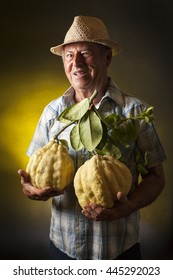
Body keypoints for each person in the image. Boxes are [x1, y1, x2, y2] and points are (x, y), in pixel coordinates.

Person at [18, 15, 166, 260]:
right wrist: (29, 188)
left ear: (107, 57)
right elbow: (36, 171)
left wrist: (131, 205)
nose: (76, 63)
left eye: (85, 53)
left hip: (119, 251)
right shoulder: (52, 113)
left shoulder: (135, 113)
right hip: (63, 249)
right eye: (69, 55)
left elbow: (156, 178)